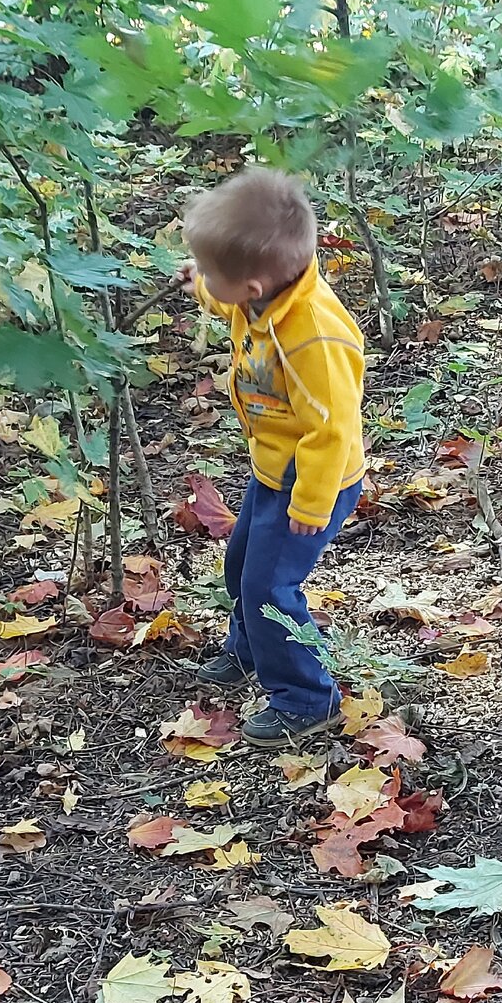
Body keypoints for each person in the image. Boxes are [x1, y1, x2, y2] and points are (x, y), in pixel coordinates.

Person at [175, 167, 364, 747]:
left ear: (254, 286)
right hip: (272, 467)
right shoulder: (262, 295)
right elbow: (228, 297)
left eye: (211, 273)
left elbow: (333, 427)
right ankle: (253, 648)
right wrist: (203, 284)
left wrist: (312, 500)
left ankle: (308, 697)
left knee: (270, 589)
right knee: (241, 566)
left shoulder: (313, 336)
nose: (208, 282)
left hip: (312, 479)